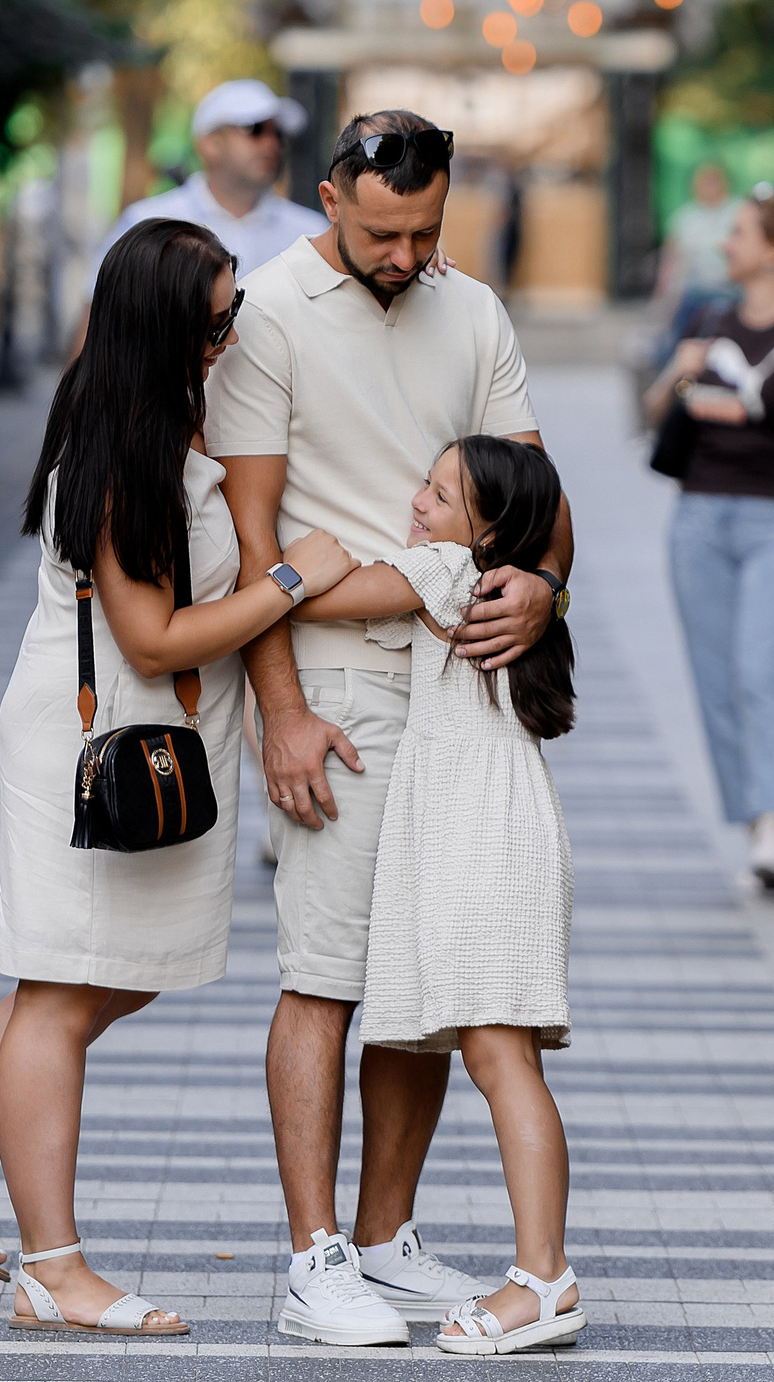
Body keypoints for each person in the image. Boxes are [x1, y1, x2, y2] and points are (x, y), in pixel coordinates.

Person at [0, 218, 356, 1338]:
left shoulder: (163, 412)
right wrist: (290, 576)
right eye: (214, 316)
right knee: (63, 987)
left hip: (144, 735)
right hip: (92, 741)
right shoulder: (121, 445)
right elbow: (153, 639)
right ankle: (52, 1266)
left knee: (100, 978)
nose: (231, 333)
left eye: (234, 311)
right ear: (162, 324)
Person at [209, 109, 574, 1346]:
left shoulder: (468, 307)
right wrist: (284, 711)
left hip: (457, 685)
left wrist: (546, 584)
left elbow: (539, 494)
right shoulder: (266, 313)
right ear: (328, 197)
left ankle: (382, 1237)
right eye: (381, 230)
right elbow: (257, 543)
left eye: (425, 229)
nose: (405, 252)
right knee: (327, 971)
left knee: (420, 977)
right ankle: (314, 1257)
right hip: (339, 686)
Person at [294, 435, 584, 1356]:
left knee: (503, 1062)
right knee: (506, 1059)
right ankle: (541, 1273)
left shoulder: (448, 570)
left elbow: (330, 596)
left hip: (480, 844)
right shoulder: (493, 583)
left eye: (440, 491)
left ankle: (543, 1279)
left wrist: (304, 563)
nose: (418, 499)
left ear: (486, 530)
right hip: (497, 833)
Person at [643, 182, 774, 893]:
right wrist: (677, 375)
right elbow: (653, 412)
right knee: (715, 678)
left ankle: (773, 823)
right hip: (699, 517)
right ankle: (750, 817)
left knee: (758, 664)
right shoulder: (711, 316)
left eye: (738, 233)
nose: (725, 244)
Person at [98, 79, 327, 282]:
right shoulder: (147, 225)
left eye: (277, 133)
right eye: (254, 129)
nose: (271, 144)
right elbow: (99, 318)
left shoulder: (312, 235)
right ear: (210, 143)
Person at [649, 162, 740, 367]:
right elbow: (671, 261)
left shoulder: (737, 211)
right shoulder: (684, 217)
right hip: (696, 293)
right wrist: (663, 295)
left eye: (714, 180)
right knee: (678, 342)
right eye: (704, 181)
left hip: (733, 291)